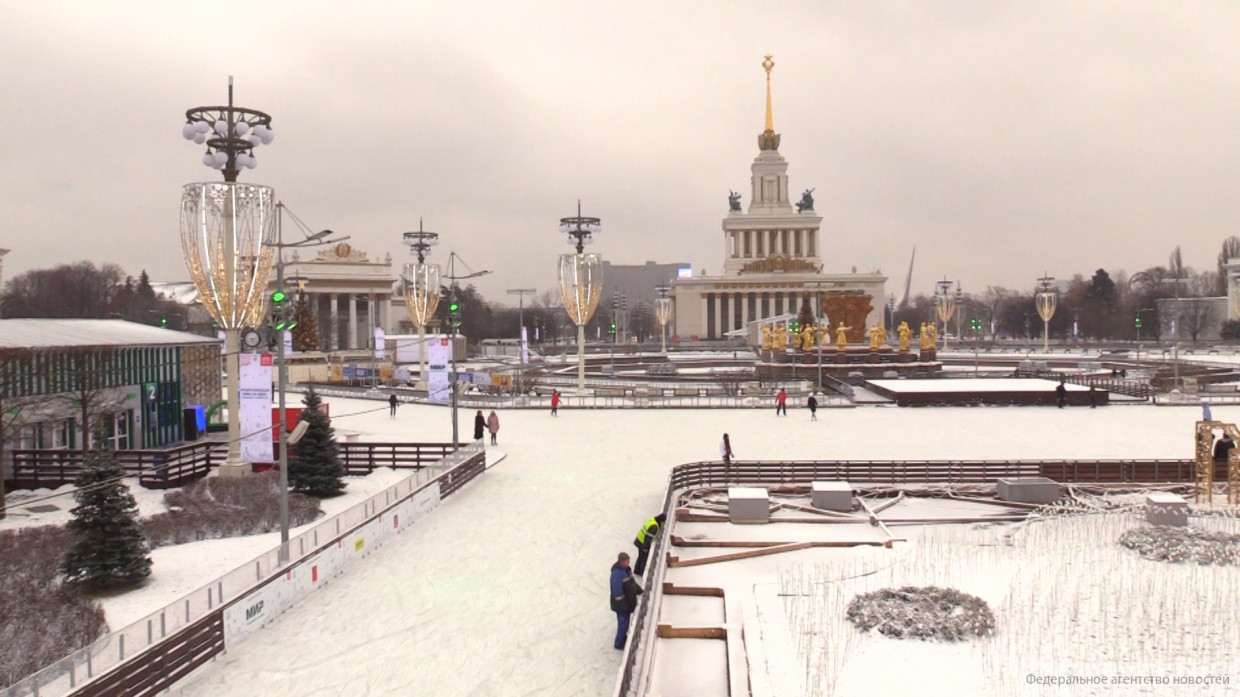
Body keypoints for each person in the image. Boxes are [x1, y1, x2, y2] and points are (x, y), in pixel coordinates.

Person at [610, 552, 643, 650]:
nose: (629, 562)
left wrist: (638, 590)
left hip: (627, 604)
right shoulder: (617, 573)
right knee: (623, 624)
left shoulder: (626, 570)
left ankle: (623, 639)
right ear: (622, 562)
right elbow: (617, 591)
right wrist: (623, 604)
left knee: (625, 624)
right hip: (621, 605)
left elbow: (631, 583)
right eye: (627, 561)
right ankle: (619, 643)